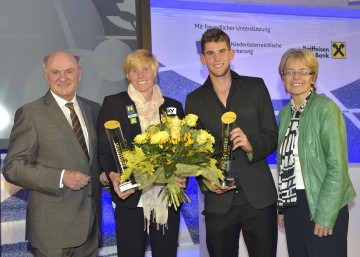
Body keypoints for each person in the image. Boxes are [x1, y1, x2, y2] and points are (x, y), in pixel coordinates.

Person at [185, 28, 278, 257]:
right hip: (219, 202)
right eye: (210, 53)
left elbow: (272, 136)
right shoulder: (194, 100)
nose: (217, 58)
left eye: (222, 51)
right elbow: (193, 156)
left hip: (259, 198)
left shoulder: (255, 87)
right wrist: (207, 181)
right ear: (202, 58)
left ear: (232, 53)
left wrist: (250, 146)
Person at [2, 50, 102, 257]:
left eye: (69, 71)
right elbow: (13, 167)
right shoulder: (30, 113)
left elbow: (93, 159)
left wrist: (106, 175)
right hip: (52, 230)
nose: (63, 78)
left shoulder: (94, 109)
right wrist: (61, 177)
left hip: (90, 228)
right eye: (55, 72)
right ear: (46, 76)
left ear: (79, 73)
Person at [97, 49, 186, 257]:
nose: (141, 75)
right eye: (134, 70)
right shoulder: (113, 104)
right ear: (127, 75)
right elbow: (104, 150)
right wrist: (112, 175)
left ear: (155, 72)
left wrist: (182, 175)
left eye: (145, 69)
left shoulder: (173, 107)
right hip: (130, 198)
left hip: (165, 198)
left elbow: (183, 151)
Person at [276, 48, 356, 257]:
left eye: (304, 71)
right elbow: (286, 163)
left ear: (313, 77)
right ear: (283, 77)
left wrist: (326, 214)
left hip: (322, 202)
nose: (296, 77)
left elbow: (337, 167)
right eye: (289, 71)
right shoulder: (285, 114)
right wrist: (284, 206)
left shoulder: (326, 108)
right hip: (294, 203)